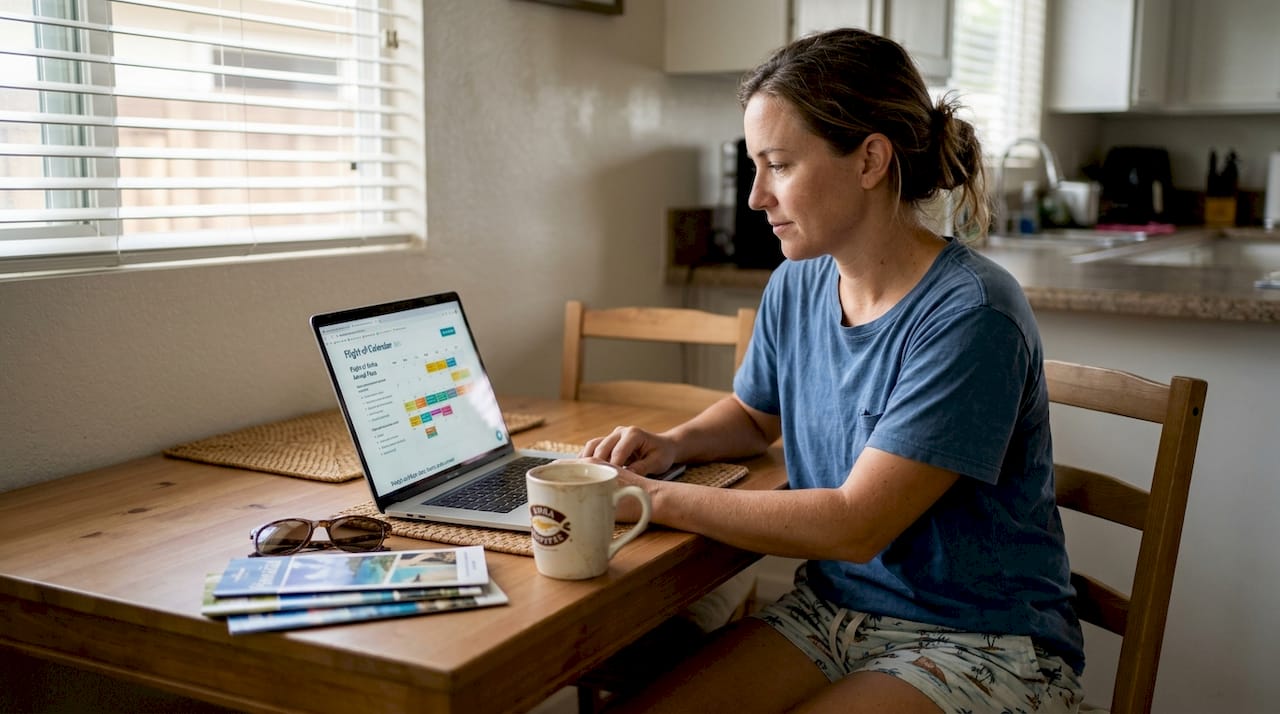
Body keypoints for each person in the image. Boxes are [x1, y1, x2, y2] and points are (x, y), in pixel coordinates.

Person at [581, 27, 1085, 714]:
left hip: (979, 641)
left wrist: (654, 496)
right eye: (755, 166)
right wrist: (675, 445)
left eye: (780, 165)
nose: (757, 195)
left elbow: (854, 524)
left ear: (871, 159)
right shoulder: (800, 282)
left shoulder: (973, 314)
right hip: (830, 614)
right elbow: (755, 415)